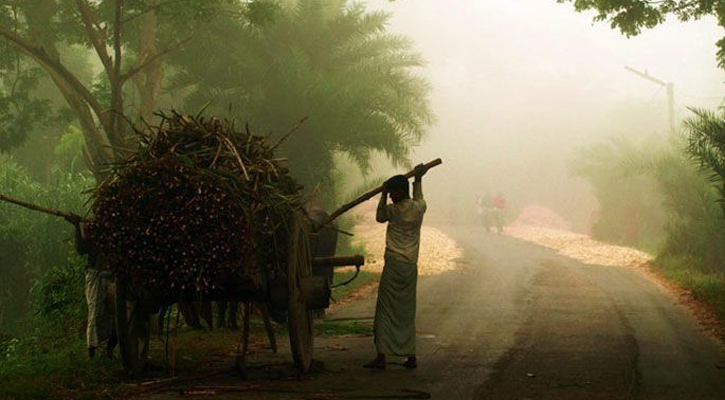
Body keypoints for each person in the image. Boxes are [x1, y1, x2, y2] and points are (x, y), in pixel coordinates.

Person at [364, 164, 427, 369]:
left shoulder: (392, 211)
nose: (391, 196)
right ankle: (411, 356)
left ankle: (381, 357)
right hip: (410, 266)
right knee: (407, 311)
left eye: (392, 193)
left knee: (385, 310)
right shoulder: (418, 209)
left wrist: (381, 195)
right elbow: (418, 196)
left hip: (393, 265)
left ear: (399, 192)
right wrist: (418, 178)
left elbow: (379, 217)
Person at [71, 220, 116, 359]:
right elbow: (80, 249)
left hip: (110, 279)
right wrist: (76, 226)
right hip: (95, 277)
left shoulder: (112, 240)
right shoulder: (94, 240)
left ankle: (109, 349)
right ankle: (92, 352)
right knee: (94, 313)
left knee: (116, 316)